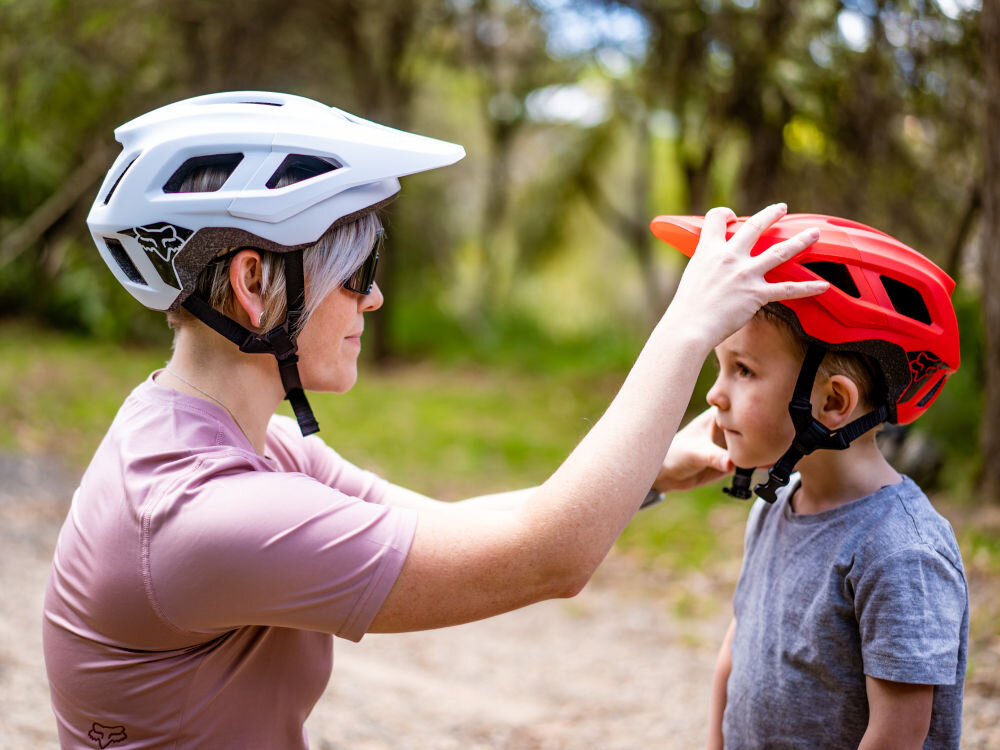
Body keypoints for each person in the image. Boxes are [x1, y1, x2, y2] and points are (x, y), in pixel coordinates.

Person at [42, 91, 828, 749]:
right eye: (359, 270)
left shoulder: (238, 443)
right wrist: (689, 323)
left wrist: (650, 469)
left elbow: (474, 527)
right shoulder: (206, 514)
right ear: (254, 282)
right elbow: (548, 558)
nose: (374, 298)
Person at [651, 214, 968, 749]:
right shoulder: (775, 506)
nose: (715, 395)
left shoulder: (900, 552)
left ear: (833, 403)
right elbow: (739, 652)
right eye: (719, 367)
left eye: (743, 370)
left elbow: (897, 735)